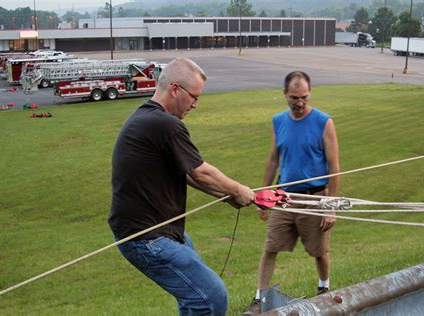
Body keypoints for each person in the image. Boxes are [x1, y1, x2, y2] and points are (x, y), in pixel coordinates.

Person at [108, 58, 254, 315]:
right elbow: (201, 171)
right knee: (210, 297)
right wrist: (238, 189)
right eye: (194, 97)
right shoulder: (166, 124)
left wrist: (225, 197)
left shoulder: (147, 117)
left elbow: (187, 175)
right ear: (175, 89)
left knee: (196, 296)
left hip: (158, 232)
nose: (196, 104)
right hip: (146, 237)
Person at [247, 71, 340, 313]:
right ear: (285, 94)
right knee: (270, 248)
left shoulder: (324, 122)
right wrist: (262, 197)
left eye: (304, 97)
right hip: (284, 198)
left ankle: (324, 288)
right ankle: (260, 299)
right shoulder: (278, 121)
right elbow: (272, 160)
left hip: (314, 198)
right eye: (294, 97)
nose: (299, 102)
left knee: (319, 252)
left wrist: (330, 208)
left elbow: (334, 167)